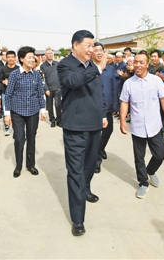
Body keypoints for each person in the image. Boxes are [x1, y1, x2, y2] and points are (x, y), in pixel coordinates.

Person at [57, 30, 108, 236]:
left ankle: (85, 189)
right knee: (76, 172)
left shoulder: (93, 67)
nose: (92, 49)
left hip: (95, 125)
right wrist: (97, 68)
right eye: (88, 45)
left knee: (90, 166)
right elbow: (73, 82)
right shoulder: (65, 66)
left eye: (93, 45)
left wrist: (103, 114)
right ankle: (78, 219)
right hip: (75, 128)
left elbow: (98, 94)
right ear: (75, 45)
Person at [120, 53, 164, 199]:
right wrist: (123, 120)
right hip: (137, 127)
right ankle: (143, 182)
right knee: (139, 157)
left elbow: (163, 99)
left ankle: (151, 170)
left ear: (147, 64)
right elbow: (125, 102)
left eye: (141, 62)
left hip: (154, 125)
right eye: (135, 62)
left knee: (160, 154)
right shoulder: (129, 83)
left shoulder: (156, 81)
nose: (137, 65)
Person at [4, 46, 47, 178]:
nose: (32, 59)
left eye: (33, 57)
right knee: (19, 139)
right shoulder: (14, 75)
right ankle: (18, 166)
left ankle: (31, 165)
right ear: (22, 59)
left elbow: (40, 93)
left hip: (33, 111)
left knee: (31, 139)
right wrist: (7, 114)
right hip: (17, 112)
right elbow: (8, 94)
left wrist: (43, 110)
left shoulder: (36, 75)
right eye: (29, 57)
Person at [92, 42, 118, 173]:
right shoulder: (89, 68)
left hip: (107, 106)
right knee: (96, 134)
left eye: (100, 50)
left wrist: (115, 105)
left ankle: (100, 149)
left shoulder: (110, 69)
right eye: (95, 50)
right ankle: (96, 160)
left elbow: (114, 88)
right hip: (94, 108)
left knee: (108, 131)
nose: (99, 52)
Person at [0, 50, 19, 136]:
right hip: (5, 92)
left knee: (16, 110)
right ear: (6, 58)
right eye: (9, 57)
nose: (10, 59)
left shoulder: (18, 68)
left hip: (17, 93)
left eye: (12, 57)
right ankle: (7, 127)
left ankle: (16, 127)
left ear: (15, 58)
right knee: (6, 110)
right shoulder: (3, 69)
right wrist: (4, 81)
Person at [41, 48, 62, 127]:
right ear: (46, 55)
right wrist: (46, 89)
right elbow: (43, 79)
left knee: (58, 105)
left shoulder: (57, 64)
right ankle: (52, 120)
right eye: (48, 53)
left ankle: (59, 120)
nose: (50, 55)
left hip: (58, 88)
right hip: (49, 89)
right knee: (50, 106)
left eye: (51, 53)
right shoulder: (43, 66)